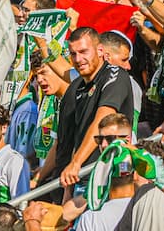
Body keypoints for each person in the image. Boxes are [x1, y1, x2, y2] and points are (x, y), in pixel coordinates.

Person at [51, 27, 136, 198]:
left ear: (100, 51)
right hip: (81, 180)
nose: (78, 59)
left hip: (112, 178)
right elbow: (67, 140)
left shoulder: (115, 74)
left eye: (83, 52)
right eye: (73, 54)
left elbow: (103, 119)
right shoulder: (76, 87)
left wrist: (76, 163)